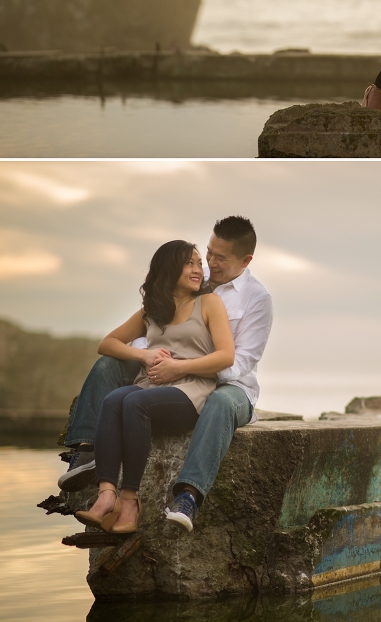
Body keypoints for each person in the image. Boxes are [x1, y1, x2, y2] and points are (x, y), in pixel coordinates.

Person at [59, 216, 273, 535]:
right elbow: (157, 330)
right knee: (109, 366)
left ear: (245, 261)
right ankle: (87, 448)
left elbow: (239, 360)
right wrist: (153, 356)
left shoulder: (256, 298)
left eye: (220, 258)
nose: (210, 263)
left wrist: (184, 366)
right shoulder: (188, 284)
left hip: (230, 385)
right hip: (172, 373)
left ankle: (188, 495)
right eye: (208, 254)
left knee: (220, 402)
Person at [75, 241, 235, 534]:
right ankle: (106, 494)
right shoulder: (153, 309)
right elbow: (107, 343)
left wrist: (179, 367)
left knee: (135, 404)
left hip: (192, 389)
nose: (198, 269)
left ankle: (130, 501)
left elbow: (226, 356)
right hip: (152, 385)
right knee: (113, 400)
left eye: (199, 263)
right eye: (190, 263)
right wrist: (144, 355)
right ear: (169, 267)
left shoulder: (209, 303)